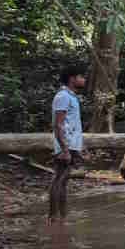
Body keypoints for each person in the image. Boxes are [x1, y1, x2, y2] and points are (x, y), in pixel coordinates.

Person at [50, 64, 87, 223]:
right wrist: (65, 149)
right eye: (81, 76)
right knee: (59, 180)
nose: (84, 79)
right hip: (64, 146)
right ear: (72, 79)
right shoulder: (63, 96)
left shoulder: (71, 96)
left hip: (70, 145)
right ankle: (53, 217)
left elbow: (72, 125)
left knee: (63, 181)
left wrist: (78, 148)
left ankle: (62, 218)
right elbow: (58, 125)